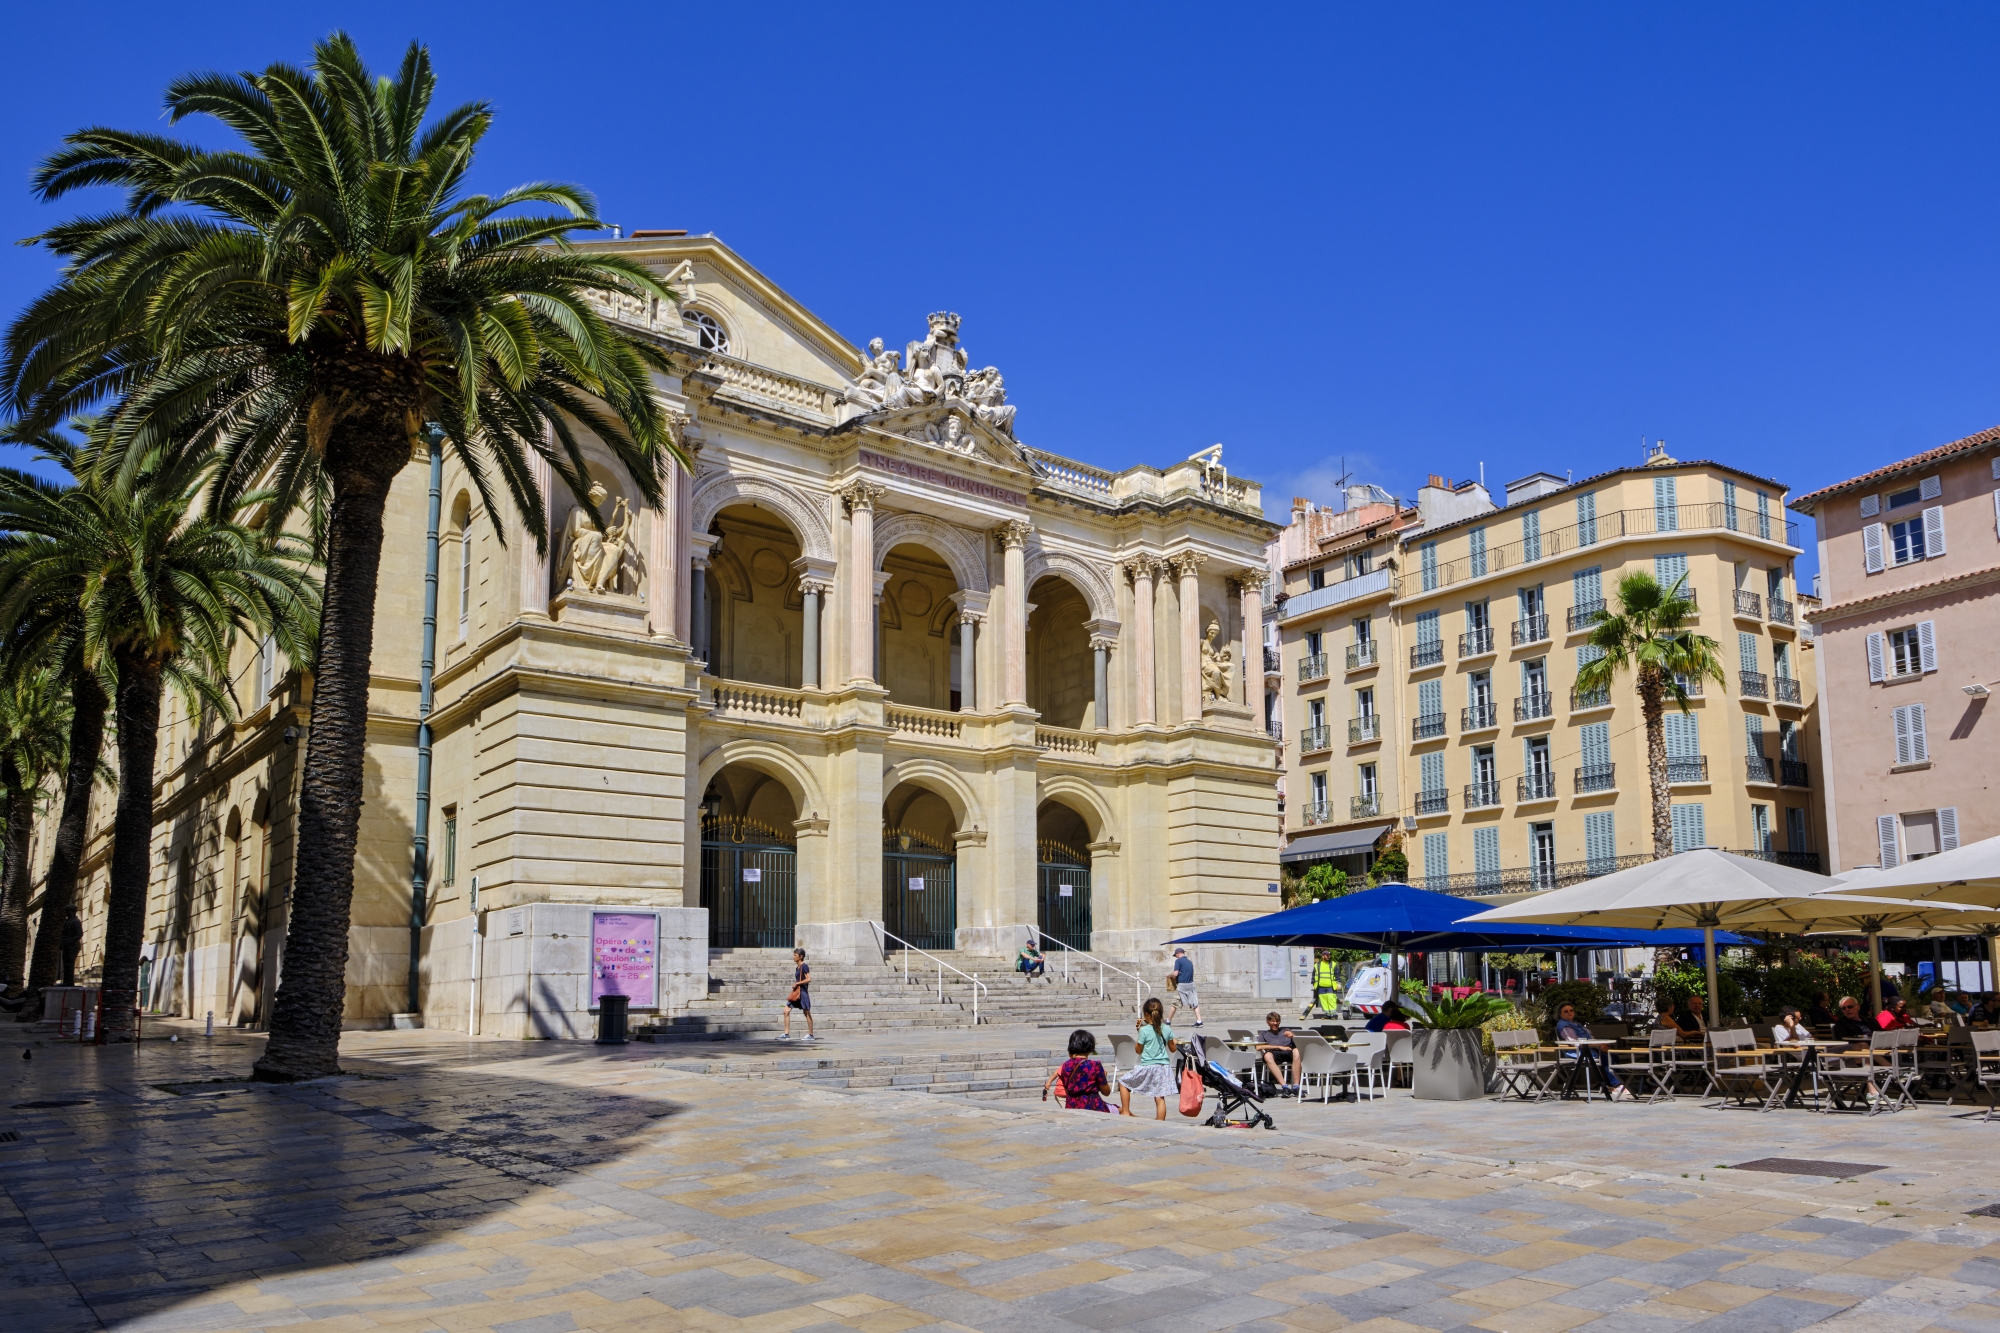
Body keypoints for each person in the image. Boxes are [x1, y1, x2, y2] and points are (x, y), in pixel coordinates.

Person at [1555, 1001, 1632, 1101]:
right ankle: (1616, 1084)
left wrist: (1601, 1045)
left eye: (1571, 1010)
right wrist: (1598, 1045)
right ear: (1560, 1014)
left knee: (1613, 1056)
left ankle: (1610, 1084)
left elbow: (1590, 1037)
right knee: (1606, 1059)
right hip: (1578, 1053)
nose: (1569, 1013)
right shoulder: (1565, 1026)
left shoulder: (1575, 1023)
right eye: (1565, 1011)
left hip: (1590, 1049)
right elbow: (1575, 1042)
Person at [1118, 997, 1177, 1119]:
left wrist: (1139, 1031)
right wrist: (1173, 1041)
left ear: (1145, 1014)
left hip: (1148, 1066)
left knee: (1123, 1082)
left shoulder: (1143, 1031)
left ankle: (1125, 1111)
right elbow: (1173, 1049)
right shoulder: (1166, 1028)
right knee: (1160, 1097)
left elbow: (1138, 1050)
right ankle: (1160, 1121)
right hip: (1163, 1067)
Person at [1044, 1029, 1112, 1111]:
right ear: (1090, 1047)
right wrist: (1102, 1078)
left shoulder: (1065, 1065)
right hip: (1093, 1106)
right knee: (1120, 1110)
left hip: (1072, 1107)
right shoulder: (1095, 1065)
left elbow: (1068, 1091)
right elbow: (1106, 1092)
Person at [1255, 1012, 1299, 1093]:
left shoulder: (1286, 1031)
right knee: (1267, 1055)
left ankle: (1296, 1086)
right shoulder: (1264, 1034)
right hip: (1275, 1054)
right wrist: (1279, 1047)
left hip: (1289, 1052)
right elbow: (1258, 1047)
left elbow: (1300, 1042)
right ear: (1267, 1023)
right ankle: (1284, 1086)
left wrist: (1293, 1035)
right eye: (1273, 1021)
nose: (1275, 1023)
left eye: (1277, 1021)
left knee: (1297, 1051)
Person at [779, 948, 814, 1042]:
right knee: (786, 1010)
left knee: (806, 1013)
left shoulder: (804, 966)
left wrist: (798, 983)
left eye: (795, 955)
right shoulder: (797, 967)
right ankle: (786, 1034)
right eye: (793, 955)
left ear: (800, 956)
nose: (793, 957)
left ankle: (811, 1034)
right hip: (796, 993)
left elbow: (808, 979)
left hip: (802, 993)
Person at [1166, 947, 1203, 1027]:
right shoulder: (1190, 962)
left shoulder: (1178, 961)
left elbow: (1175, 974)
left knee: (1174, 1003)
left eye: (1176, 955)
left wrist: (1169, 975)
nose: (1176, 957)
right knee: (1195, 1003)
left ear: (1178, 953)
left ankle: (1168, 1021)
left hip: (1182, 986)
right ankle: (1199, 1021)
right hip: (1191, 985)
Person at [1304, 951, 1341, 1019]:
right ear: (1322, 956)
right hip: (1320, 987)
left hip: (1330, 986)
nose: (1328, 957)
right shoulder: (1317, 965)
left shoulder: (1333, 964)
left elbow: (1337, 974)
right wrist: (1313, 983)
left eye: (1329, 955)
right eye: (1326, 955)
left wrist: (1338, 983)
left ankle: (1334, 1014)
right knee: (1323, 1001)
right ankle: (1328, 1014)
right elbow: (1314, 975)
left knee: (1331, 1000)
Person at [61, 907, 83, 987]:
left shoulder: (75, 922)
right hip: (67, 946)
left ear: (72, 911)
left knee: (70, 964)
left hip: (73, 946)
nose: (66, 913)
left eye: (67, 911)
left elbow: (79, 934)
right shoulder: (68, 921)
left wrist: (69, 942)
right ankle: (66, 981)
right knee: (66, 964)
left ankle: (69, 982)